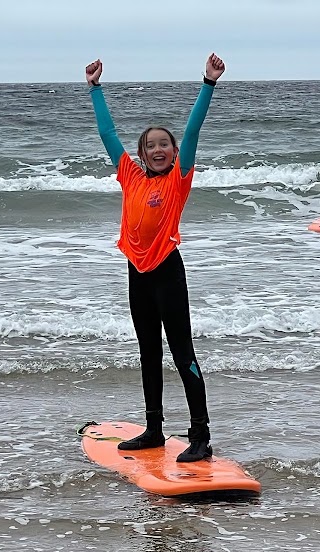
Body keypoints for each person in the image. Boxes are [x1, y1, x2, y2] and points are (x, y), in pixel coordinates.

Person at [85, 53, 226, 462]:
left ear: (174, 151)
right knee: (149, 351)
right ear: (142, 154)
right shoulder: (129, 176)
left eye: (164, 144)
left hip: (167, 271)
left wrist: (208, 83)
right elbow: (107, 133)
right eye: (151, 146)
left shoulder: (180, 178)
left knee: (182, 352)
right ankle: (154, 429)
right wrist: (94, 89)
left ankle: (200, 436)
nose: (159, 149)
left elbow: (194, 129)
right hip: (137, 272)